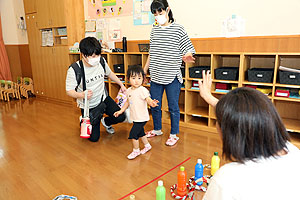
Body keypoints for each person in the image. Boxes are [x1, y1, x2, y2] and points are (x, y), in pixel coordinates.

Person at [197, 71, 300, 200]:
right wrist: (209, 97)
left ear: (230, 133)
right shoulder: (292, 151)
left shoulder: (226, 179)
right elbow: (246, 115)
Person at [143, 0, 196, 146]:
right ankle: (157, 129)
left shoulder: (178, 29)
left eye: (160, 12)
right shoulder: (154, 30)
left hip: (172, 75)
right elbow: (151, 52)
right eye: (155, 13)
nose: (158, 15)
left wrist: (188, 56)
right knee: (154, 105)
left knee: (173, 106)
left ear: (167, 10)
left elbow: (188, 47)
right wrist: (145, 70)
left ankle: (174, 134)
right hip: (156, 74)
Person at [66, 37, 126, 142]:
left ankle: (106, 121)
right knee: (94, 138)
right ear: (84, 55)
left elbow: (110, 73)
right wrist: (81, 95)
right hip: (89, 104)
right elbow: (69, 90)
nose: (97, 58)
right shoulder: (75, 69)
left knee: (120, 116)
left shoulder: (101, 61)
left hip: (103, 98)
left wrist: (121, 85)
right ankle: (84, 120)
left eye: (98, 55)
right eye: (93, 56)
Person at [114, 65, 159, 159]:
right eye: (133, 78)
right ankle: (147, 145)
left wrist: (152, 103)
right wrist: (121, 111)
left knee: (133, 134)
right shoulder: (129, 90)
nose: (137, 81)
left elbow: (148, 99)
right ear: (128, 79)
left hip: (142, 118)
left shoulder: (142, 90)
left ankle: (136, 150)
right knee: (141, 132)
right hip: (135, 117)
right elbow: (127, 102)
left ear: (143, 79)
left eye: (139, 78)